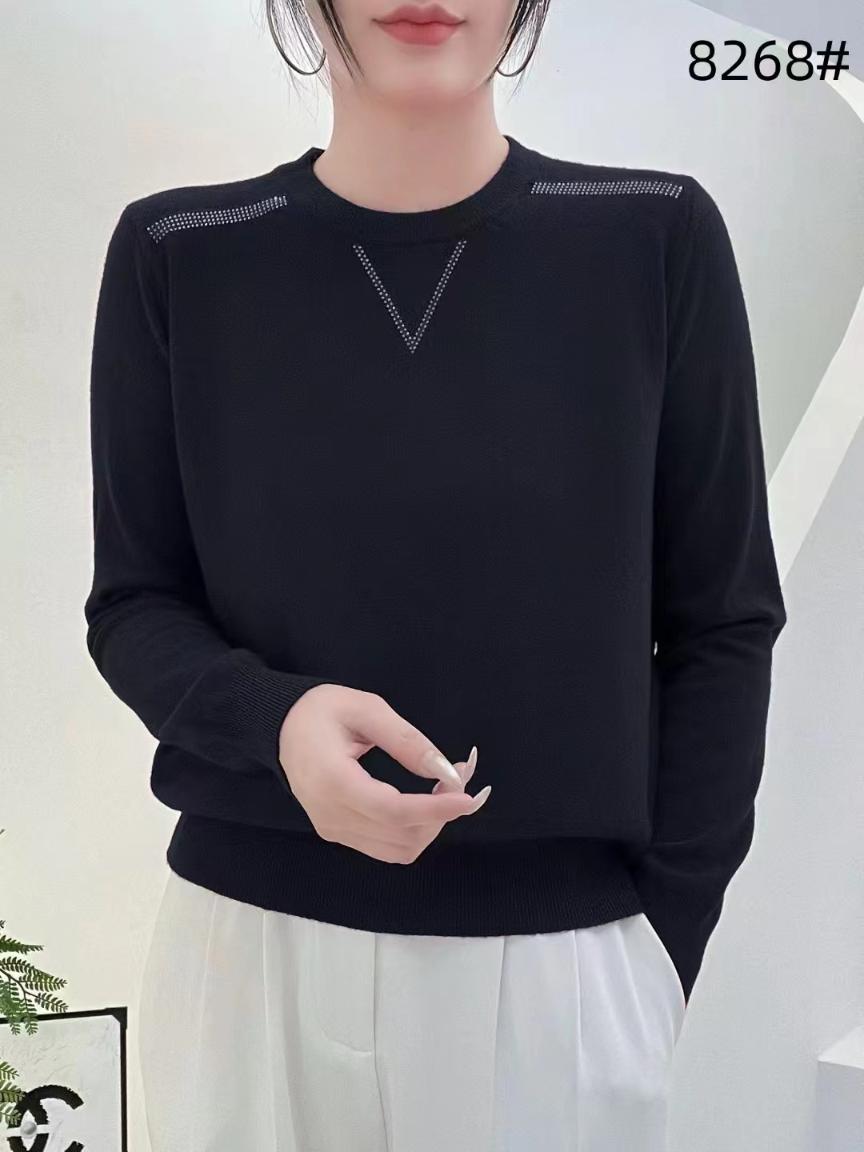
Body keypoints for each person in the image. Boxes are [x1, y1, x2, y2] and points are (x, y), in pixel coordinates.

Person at [84, 1, 787, 1148]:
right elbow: (134, 604)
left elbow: (722, 619)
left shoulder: (651, 234)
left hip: (564, 970)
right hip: (249, 961)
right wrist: (277, 721)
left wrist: (662, 940)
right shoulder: (183, 250)